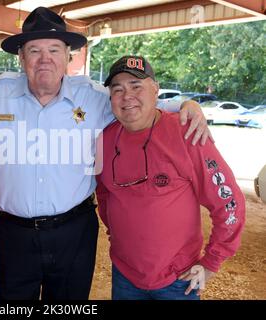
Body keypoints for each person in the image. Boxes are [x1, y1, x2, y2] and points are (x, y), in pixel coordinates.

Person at [0, 7, 211, 300]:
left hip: (74, 231)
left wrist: (185, 104)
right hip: (13, 234)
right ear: (21, 58)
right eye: (34, 50)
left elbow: (137, 100)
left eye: (54, 49)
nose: (44, 58)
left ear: (69, 56)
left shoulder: (93, 97)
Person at [95, 55, 245, 300]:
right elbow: (104, 194)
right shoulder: (104, 139)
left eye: (136, 86)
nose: (127, 96)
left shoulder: (187, 132)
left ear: (155, 90)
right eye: (117, 89)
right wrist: (118, 235)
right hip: (124, 274)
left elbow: (229, 202)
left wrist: (211, 263)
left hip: (178, 279)